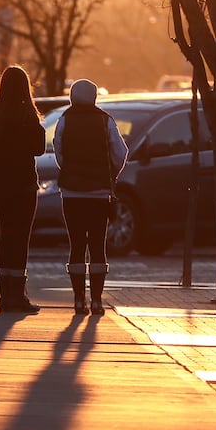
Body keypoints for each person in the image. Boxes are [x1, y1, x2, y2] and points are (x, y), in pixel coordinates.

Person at [53, 78, 127, 315]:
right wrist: (111, 175)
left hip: (72, 194)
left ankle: (78, 300)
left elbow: (58, 149)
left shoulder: (64, 119)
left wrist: (68, 170)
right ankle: (96, 301)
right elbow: (120, 152)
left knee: (76, 244)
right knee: (97, 244)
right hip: (99, 193)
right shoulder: (105, 120)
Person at [0, 65, 45, 313]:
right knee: (21, 237)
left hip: (0, 180)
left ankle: (4, 294)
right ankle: (18, 295)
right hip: (24, 181)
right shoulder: (26, 113)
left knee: (6, 234)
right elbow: (39, 148)